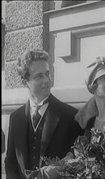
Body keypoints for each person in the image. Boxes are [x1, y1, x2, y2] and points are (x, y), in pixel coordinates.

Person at [5, 49, 84, 179]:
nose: (47, 80)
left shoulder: (71, 115)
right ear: (25, 82)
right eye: (39, 76)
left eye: (47, 73)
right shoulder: (16, 118)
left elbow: (80, 160)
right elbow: (11, 162)